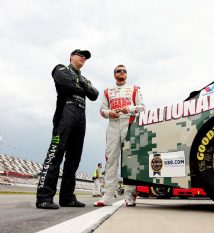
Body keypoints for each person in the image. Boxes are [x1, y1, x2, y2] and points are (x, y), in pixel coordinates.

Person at [36, 49, 99, 209]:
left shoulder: (83, 77)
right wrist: (82, 86)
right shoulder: (61, 68)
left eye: (86, 57)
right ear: (71, 57)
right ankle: (44, 197)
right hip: (66, 113)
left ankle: (67, 197)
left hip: (81, 116)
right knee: (55, 153)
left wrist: (81, 84)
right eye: (80, 54)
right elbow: (69, 84)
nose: (83, 57)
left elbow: (94, 94)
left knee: (74, 159)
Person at [94, 64, 145, 207]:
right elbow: (102, 111)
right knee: (111, 160)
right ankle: (107, 196)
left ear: (126, 75)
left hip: (129, 123)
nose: (122, 72)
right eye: (118, 71)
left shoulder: (135, 89)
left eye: (124, 71)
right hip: (113, 125)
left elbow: (142, 107)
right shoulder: (107, 91)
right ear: (114, 74)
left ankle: (130, 196)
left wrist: (128, 108)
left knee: (129, 161)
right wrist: (110, 112)